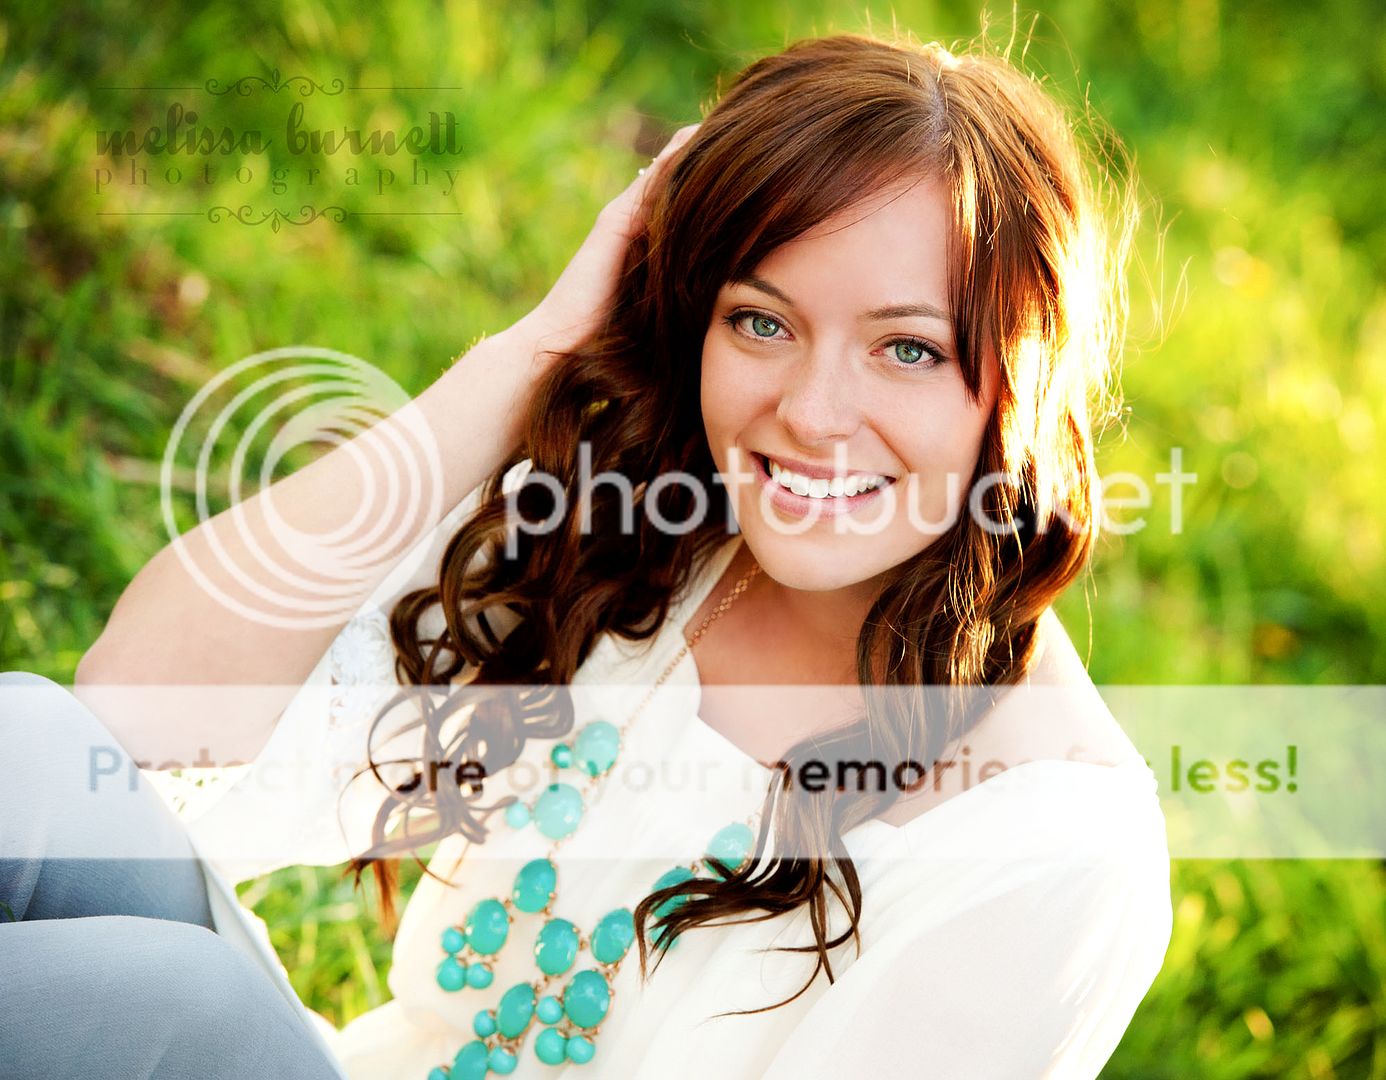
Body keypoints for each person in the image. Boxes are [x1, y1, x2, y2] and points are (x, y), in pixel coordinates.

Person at [3, 29, 1172, 1079]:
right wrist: (536, 349)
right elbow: (133, 710)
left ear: (1025, 379)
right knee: (33, 744)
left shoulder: (1046, 849)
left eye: (907, 349)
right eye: (760, 321)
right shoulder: (661, 545)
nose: (813, 414)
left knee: (181, 1004)